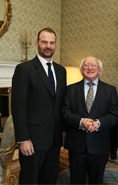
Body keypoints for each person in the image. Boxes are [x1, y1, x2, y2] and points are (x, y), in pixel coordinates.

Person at [11, 28, 66, 184]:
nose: (48, 46)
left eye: (51, 42)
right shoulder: (24, 69)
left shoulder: (61, 71)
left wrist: (62, 131)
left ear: (55, 45)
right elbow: (18, 107)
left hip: (54, 139)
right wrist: (23, 139)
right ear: (37, 43)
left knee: (49, 179)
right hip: (33, 140)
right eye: (44, 42)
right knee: (29, 179)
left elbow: (60, 104)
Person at [62, 56, 118, 184]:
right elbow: (65, 112)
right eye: (86, 65)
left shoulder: (110, 90)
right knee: (76, 180)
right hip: (76, 144)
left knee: (96, 180)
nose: (90, 68)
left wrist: (98, 123)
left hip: (100, 144)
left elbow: (114, 115)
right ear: (82, 70)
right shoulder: (70, 89)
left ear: (100, 70)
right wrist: (81, 121)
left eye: (94, 65)